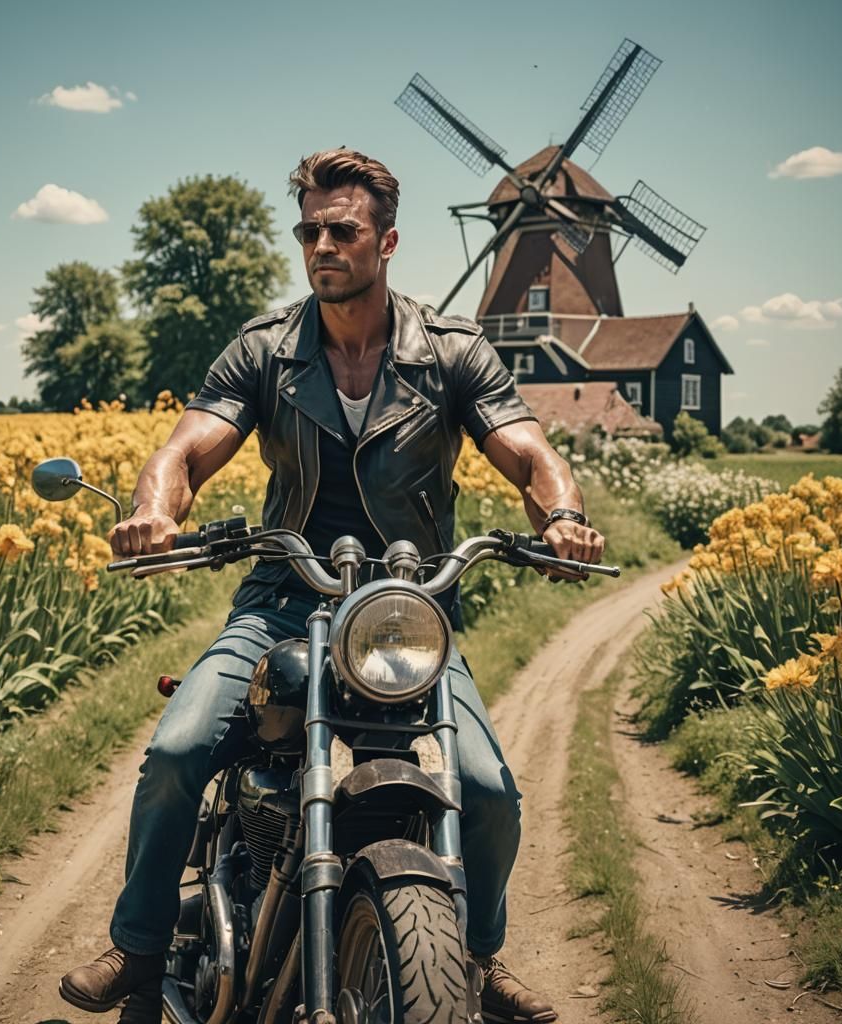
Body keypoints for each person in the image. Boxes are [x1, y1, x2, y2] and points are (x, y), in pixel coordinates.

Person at [59, 148, 605, 1024]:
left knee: (489, 789)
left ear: (386, 241)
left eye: (341, 230)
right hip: (283, 598)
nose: (321, 245)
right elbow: (186, 449)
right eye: (309, 230)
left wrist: (562, 517)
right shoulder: (266, 350)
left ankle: (474, 957)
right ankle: (141, 944)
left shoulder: (453, 351)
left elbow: (530, 451)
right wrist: (154, 510)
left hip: (402, 617)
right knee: (177, 748)